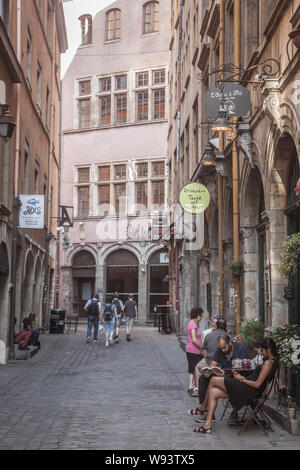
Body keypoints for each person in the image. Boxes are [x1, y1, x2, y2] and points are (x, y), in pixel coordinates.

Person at [192, 337, 279, 434]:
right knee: (213, 392)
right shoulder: (271, 362)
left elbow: (257, 384)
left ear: (269, 350)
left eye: (262, 350)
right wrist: (241, 377)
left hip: (248, 390)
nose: (261, 353)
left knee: (213, 380)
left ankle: (203, 408)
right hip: (246, 387)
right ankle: (207, 425)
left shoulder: (268, 363)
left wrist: (241, 379)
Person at [188, 334, 249, 426]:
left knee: (214, 382)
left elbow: (245, 370)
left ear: (230, 343)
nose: (223, 350)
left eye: (224, 347)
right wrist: (209, 371)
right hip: (225, 378)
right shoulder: (220, 350)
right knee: (204, 378)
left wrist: (227, 374)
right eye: (221, 348)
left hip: (238, 379)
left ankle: (203, 408)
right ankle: (205, 412)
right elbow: (213, 365)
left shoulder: (241, 349)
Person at [186, 307, 203, 397]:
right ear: (198, 315)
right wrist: (202, 347)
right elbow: (194, 340)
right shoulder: (193, 325)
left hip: (191, 350)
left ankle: (190, 386)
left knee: (192, 369)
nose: (202, 317)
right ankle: (194, 387)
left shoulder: (191, 323)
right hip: (194, 350)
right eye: (201, 315)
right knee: (196, 369)